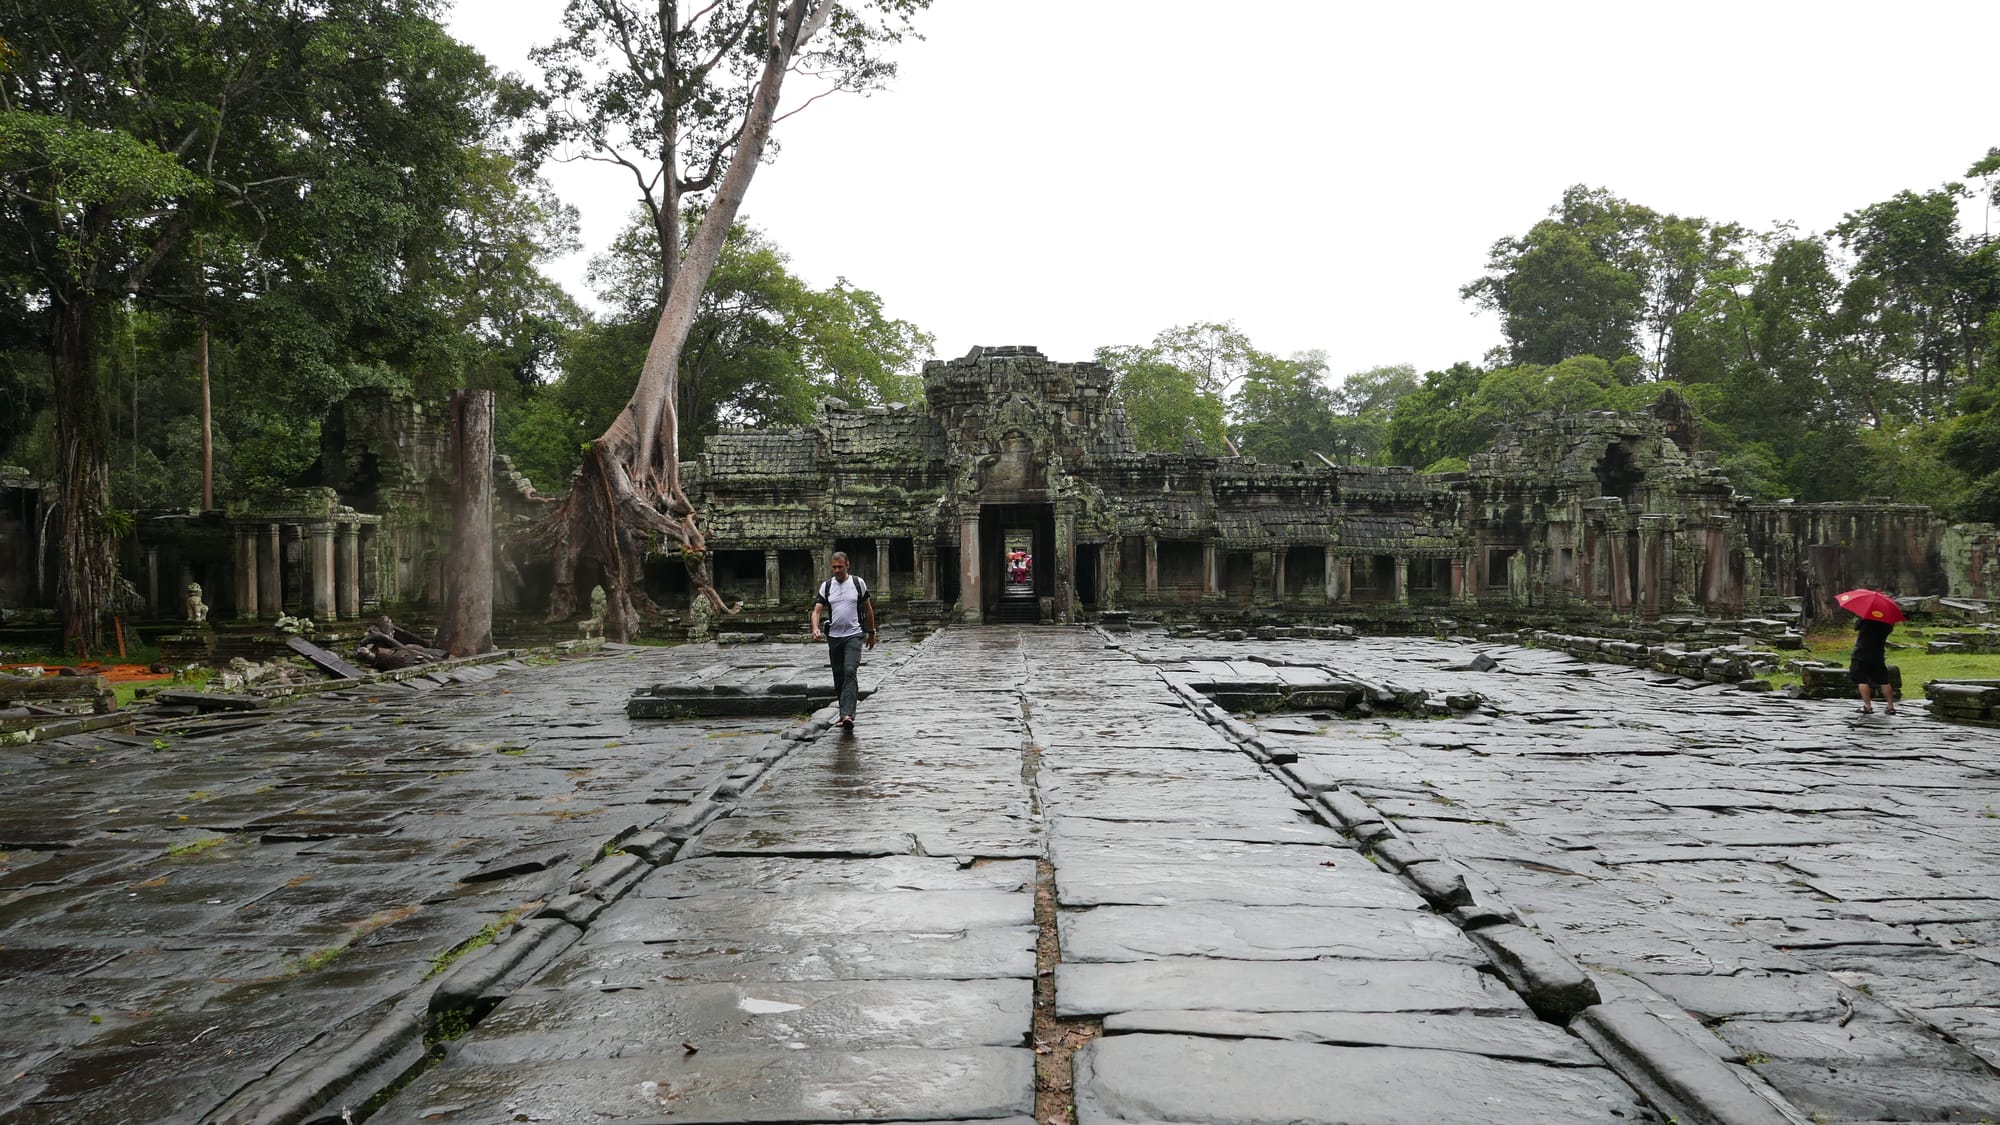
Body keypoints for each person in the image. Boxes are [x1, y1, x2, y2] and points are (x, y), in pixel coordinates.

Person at [809, 551, 875, 728]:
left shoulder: (857, 583)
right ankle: (843, 712)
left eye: (840, 567)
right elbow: (816, 611)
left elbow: (868, 609)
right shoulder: (827, 586)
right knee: (838, 676)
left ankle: (848, 715)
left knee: (849, 670)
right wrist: (815, 628)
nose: (836, 570)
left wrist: (871, 632)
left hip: (854, 634)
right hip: (835, 637)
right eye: (834, 567)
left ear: (848, 565)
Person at [1849, 612, 1896, 715]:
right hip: (1878, 654)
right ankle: (1890, 706)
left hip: (1861, 653)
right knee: (1884, 680)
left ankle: (1867, 706)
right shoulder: (1887, 623)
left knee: (1862, 679)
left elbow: (1856, 627)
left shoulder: (1866, 619)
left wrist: (1863, 617)